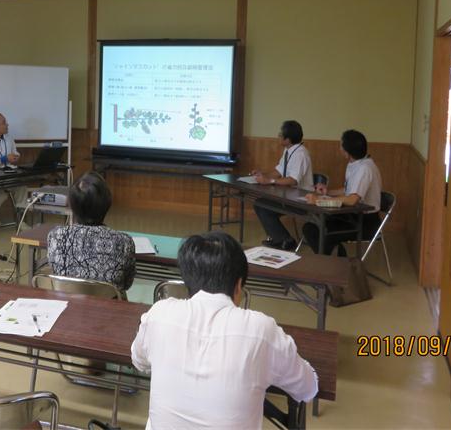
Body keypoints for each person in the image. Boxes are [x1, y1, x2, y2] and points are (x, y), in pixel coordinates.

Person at [131, 231, 318, 430]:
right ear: (238, 285)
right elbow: (308, 389)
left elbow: (138, 360)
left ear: (187, 281)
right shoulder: (261, 330)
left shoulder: (160, 314)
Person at [46, 172, 135, 292]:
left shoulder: (56, 236)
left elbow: (55, 271)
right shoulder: (124, 242)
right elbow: (127, 284)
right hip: (107, 303)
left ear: (72, 205)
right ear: (107, 203)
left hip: (67, 302)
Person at [302, 129, 382, 256]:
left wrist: (319, 200)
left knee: (320, 231)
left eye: (341, 146)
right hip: (351, 215)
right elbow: (348, 190)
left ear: (347, 152)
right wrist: (328, 192)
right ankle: (338, 259)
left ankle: (336, 262)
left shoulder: (365, 168)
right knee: (311, 227)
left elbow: (352, 199)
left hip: (365, 222)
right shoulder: (354, 163)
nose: (340, 148)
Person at [251, 120, 314, 250]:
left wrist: (270, 181)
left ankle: (285, 240)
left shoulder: (300, 154)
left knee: (263, 206)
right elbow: (279, 171)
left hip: (301, 200)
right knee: (260, 203)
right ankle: (281, 239)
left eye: (280, 135)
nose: (278, 136)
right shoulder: (288, 150)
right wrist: (263, 175)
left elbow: (293, 180)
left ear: (288, 139)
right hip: (288, 195)